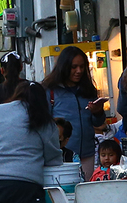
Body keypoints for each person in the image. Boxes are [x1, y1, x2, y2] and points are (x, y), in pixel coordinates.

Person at [41, 46, 107, 180]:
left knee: (85, 191)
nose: (79, 71)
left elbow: (98, 123)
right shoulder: (50, 91)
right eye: (74, 67)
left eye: (82, 67)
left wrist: (98, 112)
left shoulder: (88, 90)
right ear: (64, 67)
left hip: (87, 153)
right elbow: (43, 123)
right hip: (61, 155)